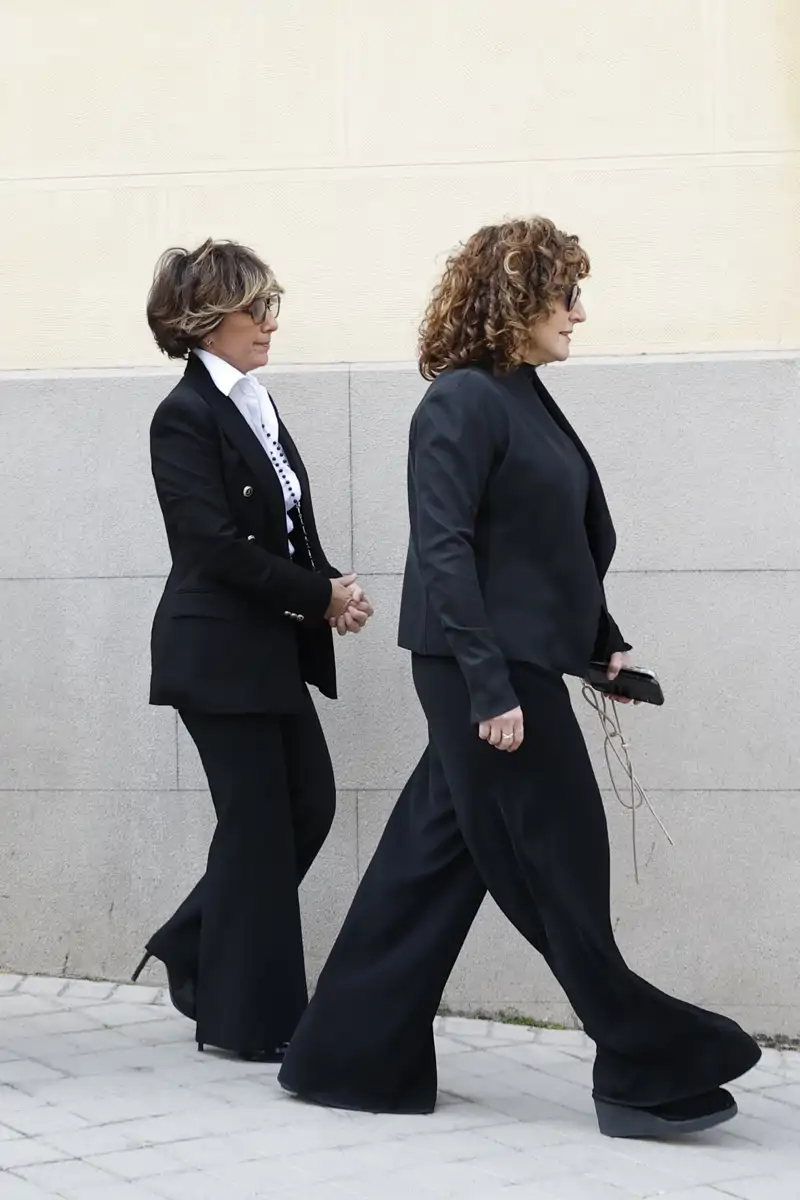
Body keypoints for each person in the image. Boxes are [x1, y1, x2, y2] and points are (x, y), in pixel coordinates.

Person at [278, 217, 760, 1136]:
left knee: (431, 861)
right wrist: (490, 687)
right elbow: (446, 548)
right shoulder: (459, 401)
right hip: (479, 671)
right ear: (513, 301)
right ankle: (640, 1059)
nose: (579, 311)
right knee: (559, 860)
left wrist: (600, 641)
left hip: (518, 659)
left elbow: (550, 544)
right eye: (563, 293)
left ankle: (345, 1052)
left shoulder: (523, 393)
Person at [133, 238, 372, 1063]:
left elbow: (280, 521)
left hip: (267, 648)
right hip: (216, 654)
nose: (270, 323)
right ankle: (247, 1022)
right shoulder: (185, 414)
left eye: (274, 307)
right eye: (256, 308)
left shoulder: (254, 402)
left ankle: (193, 943)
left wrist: (326, 586)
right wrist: (316, 596)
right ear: (208, 319)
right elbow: (211, 545)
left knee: (305, 807)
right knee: (261, 827)